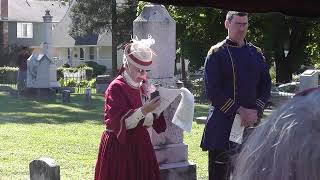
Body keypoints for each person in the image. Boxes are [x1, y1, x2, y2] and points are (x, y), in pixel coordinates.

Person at [200, 11, 271, 180]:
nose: (242, 29)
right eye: (238, 24)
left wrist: (255, 111)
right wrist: (239, 110)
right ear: (227, 24)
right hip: (222, 126)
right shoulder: (217, 53)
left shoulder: (256, 53)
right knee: (220, 175)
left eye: (245, 24)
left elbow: (266, 85)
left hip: (250, 126)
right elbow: (213, 91)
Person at [94, 36, 167, 180]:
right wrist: (145, 110)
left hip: (141, 144)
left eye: (146, 71)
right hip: (120, 147)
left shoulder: (144, 86)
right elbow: (120, 123)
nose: (143, 75)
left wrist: (158, 105)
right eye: (139, 70)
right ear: (126, 65)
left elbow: (151, 119)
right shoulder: (116, 87)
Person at [232, 88, 320, 180]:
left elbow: (264, 88)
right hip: (228, 119)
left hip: (253, 117)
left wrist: (255, 110)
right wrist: (239, 110)